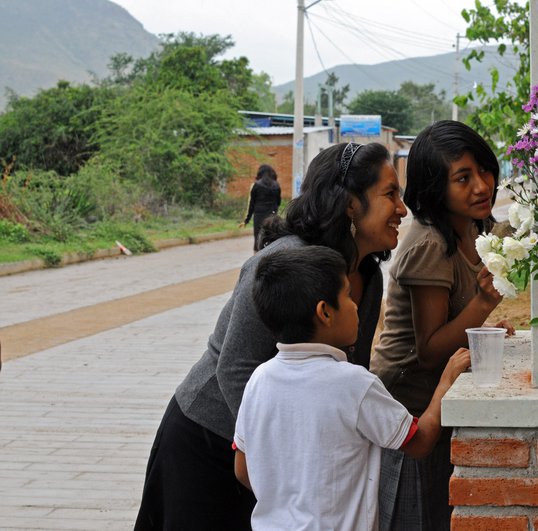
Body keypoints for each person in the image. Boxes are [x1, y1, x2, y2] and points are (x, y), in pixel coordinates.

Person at [134, 142, 407, 530]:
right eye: (390, 194)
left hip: (273, 459)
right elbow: (235, 368)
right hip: (210, 440)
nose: (402, 209)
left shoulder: (367, 277)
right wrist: (279, 455)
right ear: (349, 203)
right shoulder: (281, 264)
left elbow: (347, 371)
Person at [233, 246, 471, 530]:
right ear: (325, 313)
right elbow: (419, 442)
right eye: (346, 295)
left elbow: (243, 469)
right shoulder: (353, 383)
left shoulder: (260, 378)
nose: (355, 305)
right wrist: (446, 383)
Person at [370, 120, 514, 530]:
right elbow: (430, 348)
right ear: (435, 188)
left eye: (484, 170)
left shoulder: (474, 227)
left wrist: (482, 331)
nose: (482, 186)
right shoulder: (430, 243)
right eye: (462, 178)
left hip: (438, 399)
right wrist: (485, 304)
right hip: (408, 406)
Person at [239, 164, 282, 252]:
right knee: (270, 238)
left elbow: (252, 204)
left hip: (259, 216)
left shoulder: (256, 185)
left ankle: (257, 259)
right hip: (272, 216)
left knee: (258, 239)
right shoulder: (276, 186)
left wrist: (246, 220)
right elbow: (278, 202)